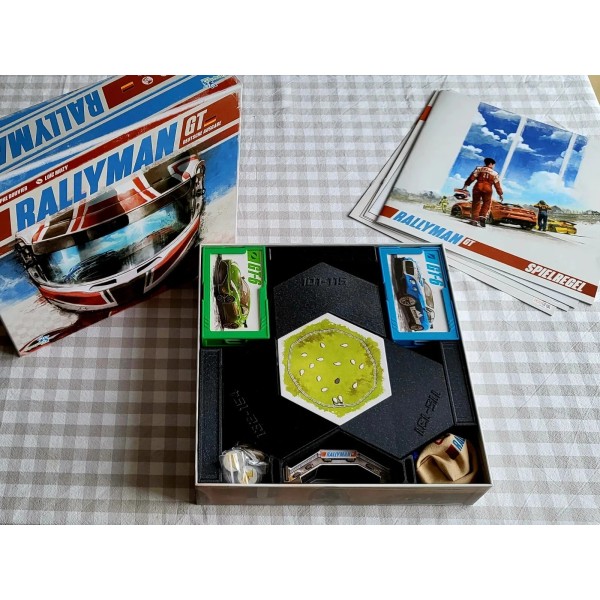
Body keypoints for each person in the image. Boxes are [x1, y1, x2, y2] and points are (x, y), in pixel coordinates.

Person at [462, 158, 504, 228]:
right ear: (491, 164)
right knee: (486, 203)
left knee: (476, 203)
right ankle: (482, 217)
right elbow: (497, 185)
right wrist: (500, 194)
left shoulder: (479, 169)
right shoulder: (495, 173)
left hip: (478, 187)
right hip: (488, 189)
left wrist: (466, 185)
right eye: (494, 165)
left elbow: (471, 178)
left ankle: (474, 220)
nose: (494, 166)